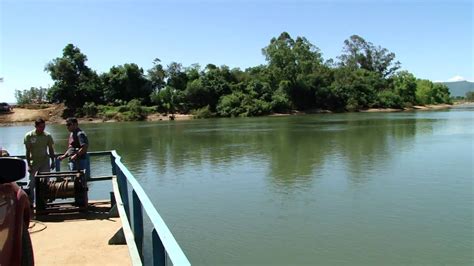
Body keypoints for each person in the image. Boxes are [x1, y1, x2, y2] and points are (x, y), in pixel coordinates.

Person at [24, 118, 55, 203]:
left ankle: (44, 202)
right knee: (31, 183)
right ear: (36, 126)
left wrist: (53, 161)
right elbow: (27, 151)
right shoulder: (29, 136)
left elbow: (51, 149)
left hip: (45, 161)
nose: (42, 128)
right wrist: (29, 165)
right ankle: (30, 203)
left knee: (46, 183)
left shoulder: (47, 135)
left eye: (44, 126)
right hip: (33, 162)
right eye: (40, 127)